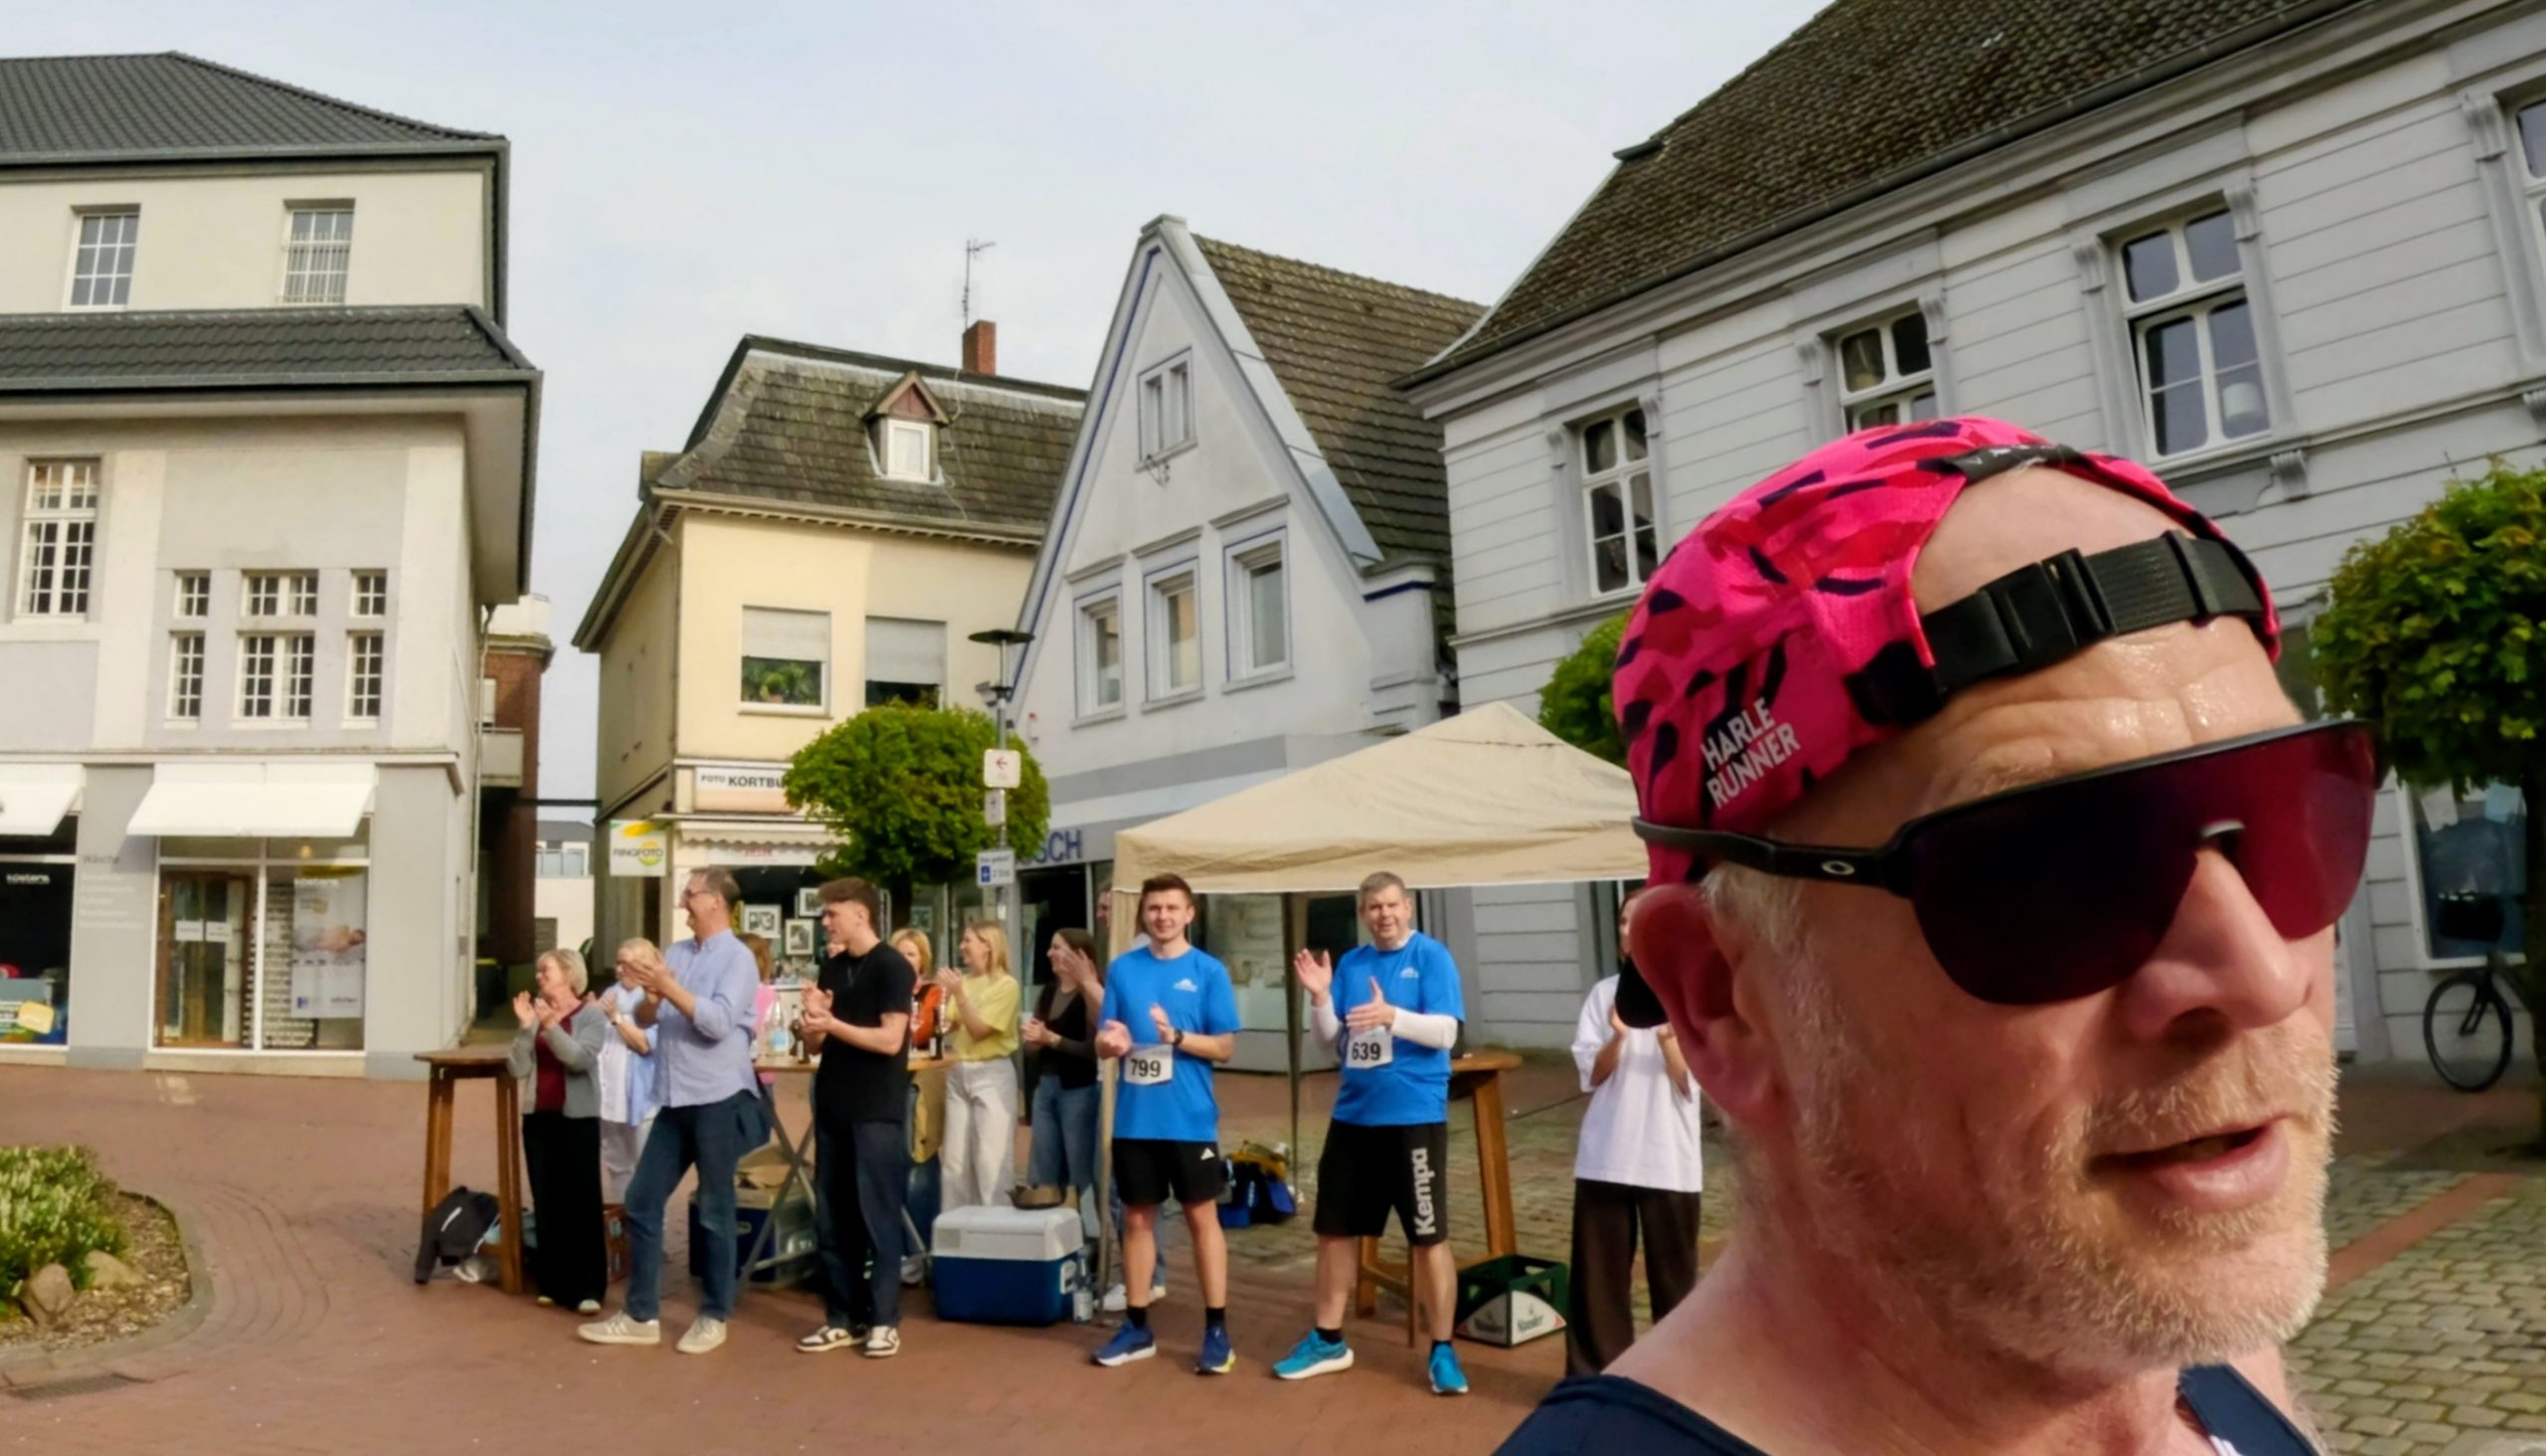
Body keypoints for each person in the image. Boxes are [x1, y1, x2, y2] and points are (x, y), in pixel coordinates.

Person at [1497, 418, 2368, 1454]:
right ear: (1725, 1004)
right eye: (2050, 870)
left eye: (2285, 815)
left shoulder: (2208, 1363)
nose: (2260, 975)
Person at [1276, 871, 1470, 1396]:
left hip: (1413, 1118)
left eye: (1391, 906)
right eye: (1373, 908)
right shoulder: (1354, 964)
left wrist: (1394, 1016)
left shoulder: (1432, 957)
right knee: (1334, 1230)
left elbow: (1448, 1032)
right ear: (1362, 914)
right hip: (1354, 1117)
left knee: (1428, 1237)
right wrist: (1319, 997)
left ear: (1408, 908)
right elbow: (1329, 1042)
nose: (1383, 915)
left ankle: (1443, 1349)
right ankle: (1328, 1338)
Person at [579, 867, 767, 1356]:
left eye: (692, 893)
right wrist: (653, 997)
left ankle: (715, 1314)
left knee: (714, 1210)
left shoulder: (739, 959)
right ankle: (641, 1314)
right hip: (673, 1097)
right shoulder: (678, 953)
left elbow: (718, 1022)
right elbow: (648, 1017)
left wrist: (671, 990)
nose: (684, 900)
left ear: (717, 902)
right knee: (641, 1200)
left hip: (717, 1097)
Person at [1091, 873, 1241, 1374]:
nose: (1162, 917)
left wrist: (1177, 1036)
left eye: (1172, 908)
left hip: (1190, 1119)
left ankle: (1216, 1328)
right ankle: (1137, 1325)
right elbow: (1106, 1037)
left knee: (1202, 1218)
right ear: (1144, 915)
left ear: (1189, 913)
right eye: (1154, 908)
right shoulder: (1123, 969)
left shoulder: (1208, 971)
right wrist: (1109, 1044)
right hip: (1135, 1118)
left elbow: (1223, 1046)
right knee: (1136, 1218)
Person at [1564, 886, 1705, 1378]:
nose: (1630, 930)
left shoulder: (1689, 995)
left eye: (1641, 920)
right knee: (1599, 1282)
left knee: (1675, 1282)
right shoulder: (1604, 995)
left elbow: (1694, 1082)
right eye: (1624, 921)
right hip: (1607, 1154)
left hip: (1670, 1160)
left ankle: (1679, 1381)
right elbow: (1592, 1076)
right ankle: (1595, 1379)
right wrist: (1618, 1038)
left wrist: (1668, 1038)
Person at [796, 877, 915, 1360]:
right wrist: (812, 1021)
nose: (826, 921)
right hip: (833, 1104)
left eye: (832, 913)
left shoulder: (893, 967)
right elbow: (816, 1045)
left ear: (861, 915)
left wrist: (833, 1024)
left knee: (877, 1216)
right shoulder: (831, 965)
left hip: (876, 1108)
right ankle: (841, 1316)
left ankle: (884, 1319)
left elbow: (890, 1041)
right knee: (833, 1217)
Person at [507, 947, 610, 1314]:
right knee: (546, 1199)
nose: (538, 976)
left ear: (569, 973)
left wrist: (550, 1028)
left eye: (545, 970)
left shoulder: (592, 1016)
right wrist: (524, 1029)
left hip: (578, 1119)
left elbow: (579, 1059)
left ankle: (587, 1288)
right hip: (539, 1116)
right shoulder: (536, 1016)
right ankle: (552, 1282)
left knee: (580, 1199)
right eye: (537, 971)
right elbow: (518, 1069)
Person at [936, 921, 1022, 1212]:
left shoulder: (1006, 985)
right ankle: (955, 1237)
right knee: (955, 1164)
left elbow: (979, 1030)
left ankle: (996, 1237)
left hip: (991, 1073)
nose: (962, 947)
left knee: (991, 1164)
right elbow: (949, 1026)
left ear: (988, 945)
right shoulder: (967, 981)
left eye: (968, 941)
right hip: (959, 1070)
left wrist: (958, 995)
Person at [1023, 928, 1104, 1238]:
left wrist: (1051, 1039)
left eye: (1057, 948)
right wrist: (1033, 1040)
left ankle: (1087, 1237)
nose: (1050, 954)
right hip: (1045, 1086)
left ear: (1077, 954)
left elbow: (1090, 1050)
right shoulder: (1047, 991)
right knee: (1043, 1164)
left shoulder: (1090, 995)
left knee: (1079, 1170)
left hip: (1078, 1089)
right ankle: (1046, 1230)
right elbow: (1037, 1043)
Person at [595, 939, 663, 1206]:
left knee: (647, 1171)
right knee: (617, 1168)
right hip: (609, 1099)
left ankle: (651, 1238)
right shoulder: (610, 995)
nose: (619, 969)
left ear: (645, 966)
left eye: (626, 963)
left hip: (642, 1100)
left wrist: (616, 1018)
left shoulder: (655, 999)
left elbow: (644, 1044)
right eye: (618, 962)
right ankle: (623, 1237)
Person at [892, 926, 942, 1287]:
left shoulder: (932, 992)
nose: (905, 960)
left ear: (922, 958)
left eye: (911, 954)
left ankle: (917, 1248)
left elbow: (924, 1032)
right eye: (900, 953)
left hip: (918, 1084)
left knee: (917, 1166)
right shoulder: (884, 988)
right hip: (884, 1082)